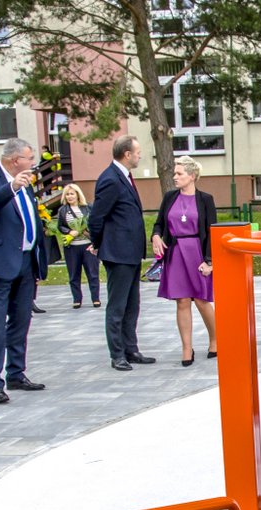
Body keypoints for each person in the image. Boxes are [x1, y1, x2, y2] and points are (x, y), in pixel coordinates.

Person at [0, 138, 49, 404]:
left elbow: (30, 218)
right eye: (29, 158)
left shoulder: (25, 183)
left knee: (21, 320)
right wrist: (11, 187)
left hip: (25, 262)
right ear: (15, 160)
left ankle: (16, 373)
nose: (33, 163)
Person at [88, 134, 155, 372]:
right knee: (117, 306)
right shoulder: (110, 179)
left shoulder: (124, 176)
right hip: (117, 252)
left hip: (130, 252)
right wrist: (98, 243)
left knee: (132, 304)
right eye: (137, 152)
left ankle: (131, 348)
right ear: (127, 154)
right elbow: (97, 216)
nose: (139, 155)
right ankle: (117, 354)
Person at [152, 155, 217, 366]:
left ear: (192, 176)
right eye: (175, 173)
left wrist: (210, 260)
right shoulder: (169, 197)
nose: (175, 177)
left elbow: (212, 231)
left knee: (201, 300)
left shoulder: (205, 199)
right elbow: (159, 223)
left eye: (179, 173)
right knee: (181, 301)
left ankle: (215, 339)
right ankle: (187, 348)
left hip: (197, 253)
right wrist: (155, 236)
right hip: (176, 252)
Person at [56, 183, 101, 309]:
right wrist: (70, 232)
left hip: (87, 245)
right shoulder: (63, 210)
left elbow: (94, 223)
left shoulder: (87, 208)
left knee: (92, 273)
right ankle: (77, 299)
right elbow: (60, 226)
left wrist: (86, 232)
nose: (70, 197)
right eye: (67, 194)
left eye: (72, 194)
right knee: (74, 274)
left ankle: (95, 298)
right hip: (72, 247)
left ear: (77, 194)